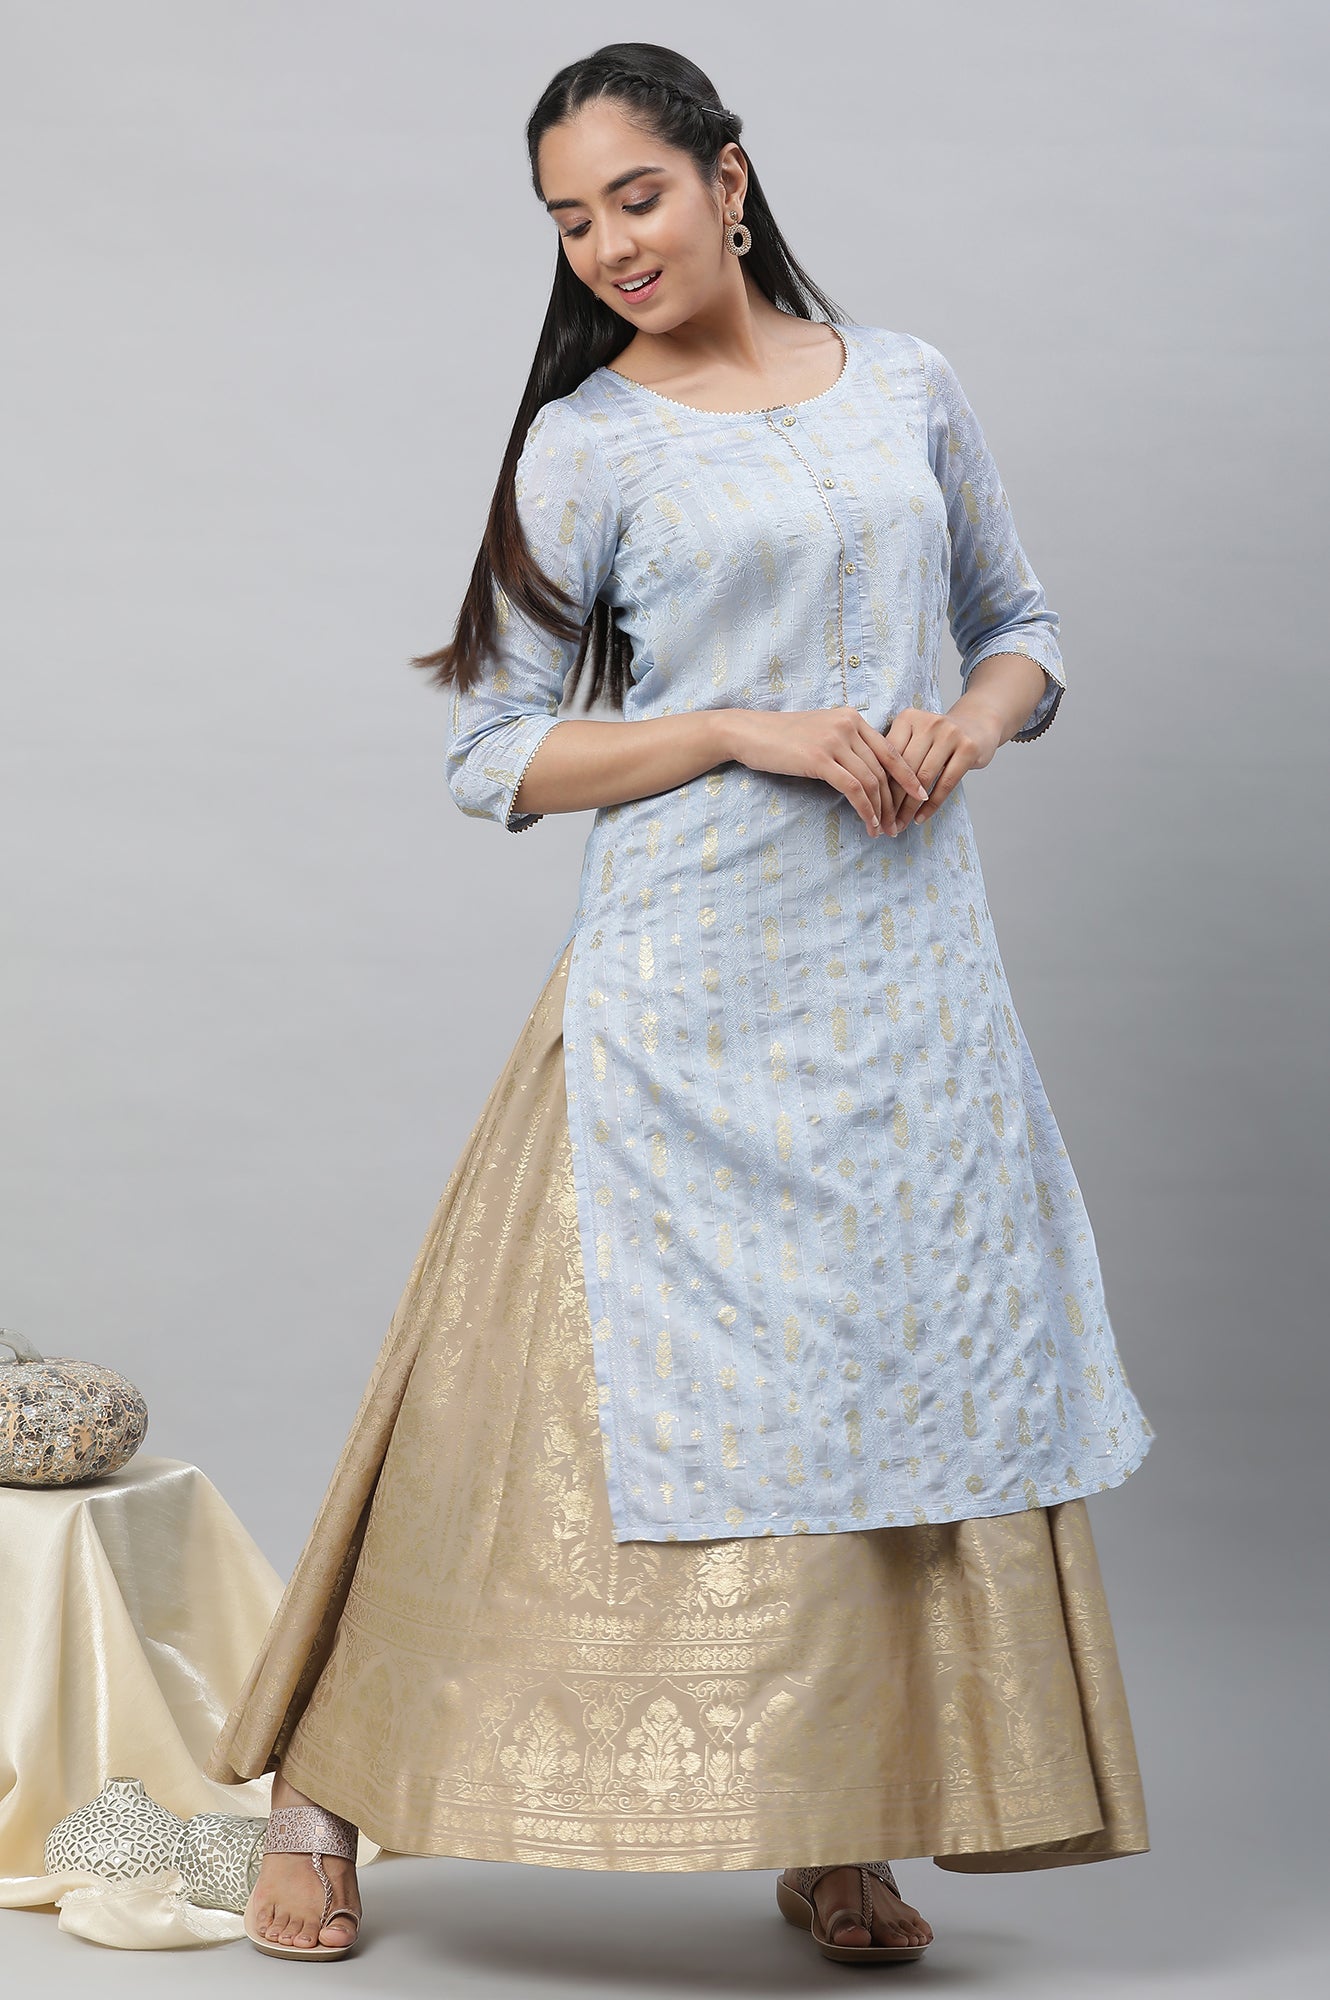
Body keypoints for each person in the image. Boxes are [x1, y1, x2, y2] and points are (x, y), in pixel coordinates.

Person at [207, 40, 1153, 1969]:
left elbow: (1023, 631)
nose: (609, 245)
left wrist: (964, 727)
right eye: (569, 220)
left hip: (905, 984)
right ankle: (319, 1792)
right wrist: (736, 727)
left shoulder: (904, 383)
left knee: (888, 1397)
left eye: (634, 196)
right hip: (685, 981)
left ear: (729, 177)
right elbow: (494, 755)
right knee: (533, 1408)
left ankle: (838, 1821)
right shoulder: (587, 443)